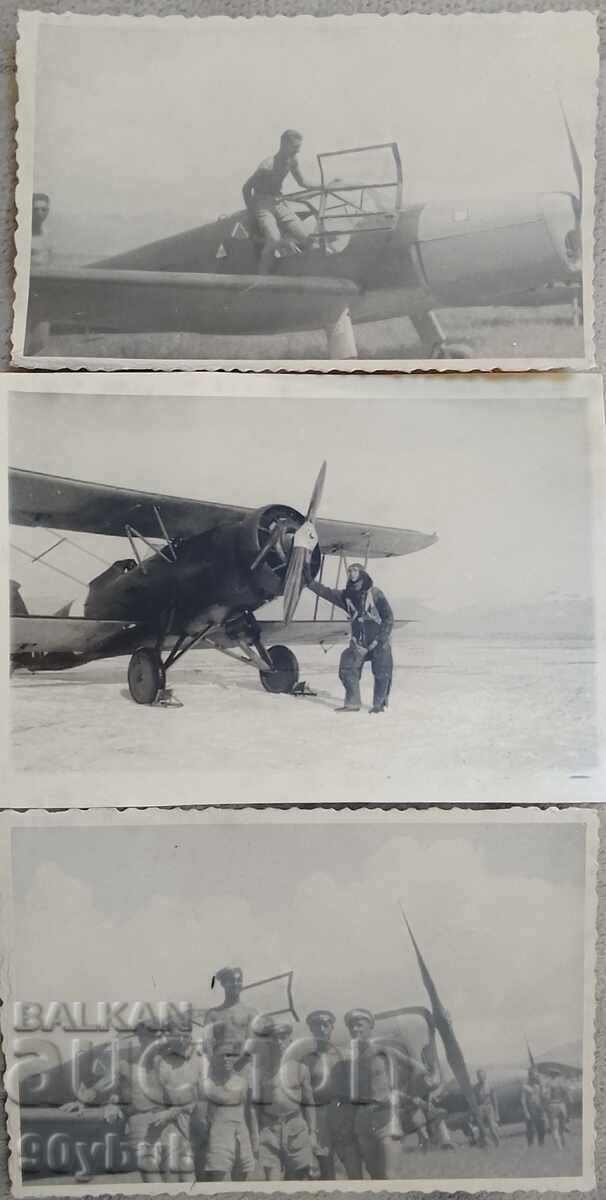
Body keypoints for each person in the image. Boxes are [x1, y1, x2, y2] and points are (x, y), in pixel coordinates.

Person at [304, 562, 394, 713]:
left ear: (362, 573)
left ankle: (379, 705)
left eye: (355, 570)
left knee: (382, 672)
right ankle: (352, 704)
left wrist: (380, 639)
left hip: (379, 642)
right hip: (359, 643)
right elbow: (327, 593)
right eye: (349, 571)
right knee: (347, 665)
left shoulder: (375, 593)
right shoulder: (347, 596)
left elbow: (389, 618)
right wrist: (310, 582)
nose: (351, 573)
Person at [242, 130, 316, 274]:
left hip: (279, 201)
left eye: (299, 147)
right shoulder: (267, 166)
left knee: (308, 239)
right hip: (262, 202)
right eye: (295, 147)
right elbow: (246, 188)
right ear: (284, 144)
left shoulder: (292, 161)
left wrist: (325, 185)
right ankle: (261, 277)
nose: (298, 151)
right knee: (274, 239)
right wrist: (252, 212)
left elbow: (303, 182)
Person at [343, 1008, 404, 1180]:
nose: (355, 1029)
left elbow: (415, 1070)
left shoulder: (384, 1050)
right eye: (352, 1026)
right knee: (373, 1171)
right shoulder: (353, 1059)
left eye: (360, 1025)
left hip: (385, 1117)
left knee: (390, 1175)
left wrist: (396, 1093)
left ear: (371, 1027)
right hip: (363, 1118)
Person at [253, 1019, 318, 1180]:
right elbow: (254, 1107)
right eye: (274, 1038)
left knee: (297, 1180)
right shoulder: (260, 1072)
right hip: (269, 1130)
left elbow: (309, 1102)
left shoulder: (301, 1069)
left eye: (282, 1037)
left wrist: (312, 1133)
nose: (279, 1042)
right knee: (273, 1182)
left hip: (296, 1127)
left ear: (290, 1040)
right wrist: (255, 1134)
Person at [300, 1009, 355, 1179]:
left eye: (326, 1024)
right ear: (311, 1029)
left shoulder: (346, 1055)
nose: (321, 1029)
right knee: (325, 1164)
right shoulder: (306, 1060)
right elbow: (304, 1096)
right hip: (319, 1114)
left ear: (332, 1027)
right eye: (317, 1025)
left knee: (352, 1163)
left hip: (343, 1112)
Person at [195, 1040, 258, 1181]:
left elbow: (250, 1112)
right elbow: (201, 1118)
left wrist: (254, 1136)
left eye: (230, 1055)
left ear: (236, 1057)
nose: (226, 1059)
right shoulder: (207, 1084)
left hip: (242, 1137)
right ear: (214, 1058)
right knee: (221, 1184)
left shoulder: (243, 1083)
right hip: (218, 1138)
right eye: (221, 1056)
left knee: (241, 1183)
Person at [203, 966, 258, 1053]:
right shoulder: (212, 1014)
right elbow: (207, 1045)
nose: (235, 983)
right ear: (223, 984)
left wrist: (237, 1065)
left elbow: (252, 1045)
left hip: (243, 1064)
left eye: (239, 980)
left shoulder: (251, 1013)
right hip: (219, 1063)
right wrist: (217, 1063)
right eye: (231, 980)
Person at [472, 1069, 500, 1147]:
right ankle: (483, 1146)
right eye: (479, 1076)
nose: (480, 1078)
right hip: (480, 1108)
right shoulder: (475, 1088)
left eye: (482, 1076)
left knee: (492, 1128)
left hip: (489, 1108)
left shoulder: (490, 1086)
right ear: (477, 1077)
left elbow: (494, 1100)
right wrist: (475, 1112)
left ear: (485, 1076)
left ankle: (497, 1144)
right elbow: (474, 1101)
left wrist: (497, 1112)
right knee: (481, 1129)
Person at [520, 1068, 548, 1148]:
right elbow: (523, 1100)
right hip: (530, 1107)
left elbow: (544, 1096)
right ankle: (530, 1144)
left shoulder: (540, 1084)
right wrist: (526, 1112)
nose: (535, 1076)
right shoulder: (525, 1086)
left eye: (536, 1075)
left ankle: (541, 1143)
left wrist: (542, 1086)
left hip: (539, 1106)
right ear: (530, 1075)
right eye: (533, 1074)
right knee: (531, 1127)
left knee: (542, 1126)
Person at [545, 1074, 569, 1149]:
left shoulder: (548, 1084)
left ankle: (559, 1148)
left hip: (552, 1105)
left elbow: (547, 1097)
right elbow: (566, 1095)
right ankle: (563, 1144)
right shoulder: (561, 1083)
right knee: (562, 1128)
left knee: (554, 1129)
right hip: (561, 1105)